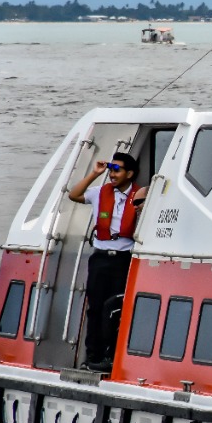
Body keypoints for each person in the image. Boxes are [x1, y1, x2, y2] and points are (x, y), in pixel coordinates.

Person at [67, 152, 147, 372]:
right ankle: (93, 355)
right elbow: (74, 195)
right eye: (111, 170)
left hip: (123, 260)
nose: (112, 174)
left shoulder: (141, 196)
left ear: (129, 173)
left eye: (117, 170)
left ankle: (112, 356)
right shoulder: (99, 193)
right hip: (101, 258)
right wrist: (95, 173)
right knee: (96, 308)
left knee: (116, 307)